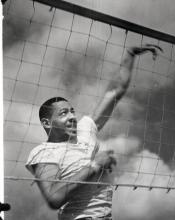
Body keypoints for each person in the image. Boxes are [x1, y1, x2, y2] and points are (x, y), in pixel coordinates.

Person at [25, 44, 162, 220]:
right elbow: (54, 198)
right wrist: (94, 165)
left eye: (72, 111)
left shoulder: (85, 129)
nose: (72, 116)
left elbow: (116, 91)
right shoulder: (43, 152)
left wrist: (130, 55)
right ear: (47, 123)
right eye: (63, 113)